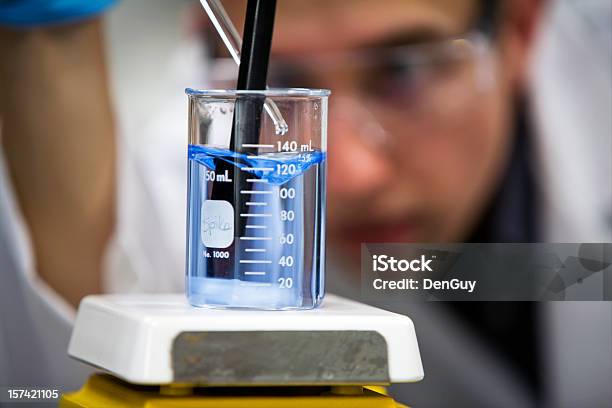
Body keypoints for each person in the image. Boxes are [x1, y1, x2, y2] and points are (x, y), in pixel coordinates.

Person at [0, 0, 610, 406]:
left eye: (403, 69)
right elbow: (67, 360)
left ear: (522, 28)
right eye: (278, 79)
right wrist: (50, 44)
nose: (352, 175)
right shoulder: (196, 158)